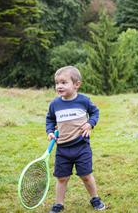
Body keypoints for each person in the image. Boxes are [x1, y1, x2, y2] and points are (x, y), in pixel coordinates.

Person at [45, 66, 106, 212]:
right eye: (57, 83)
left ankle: (95, 198)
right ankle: (58, 204)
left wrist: (90, 124)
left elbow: (95, 112)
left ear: (76, 84)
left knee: (86, 175)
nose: (59, 86)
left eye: (64, 82)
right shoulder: (55, 104)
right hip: (62, 148)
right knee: (62, 178)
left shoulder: (83, 101)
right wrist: (50, 131)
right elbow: (50, 120)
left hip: (81, 147)